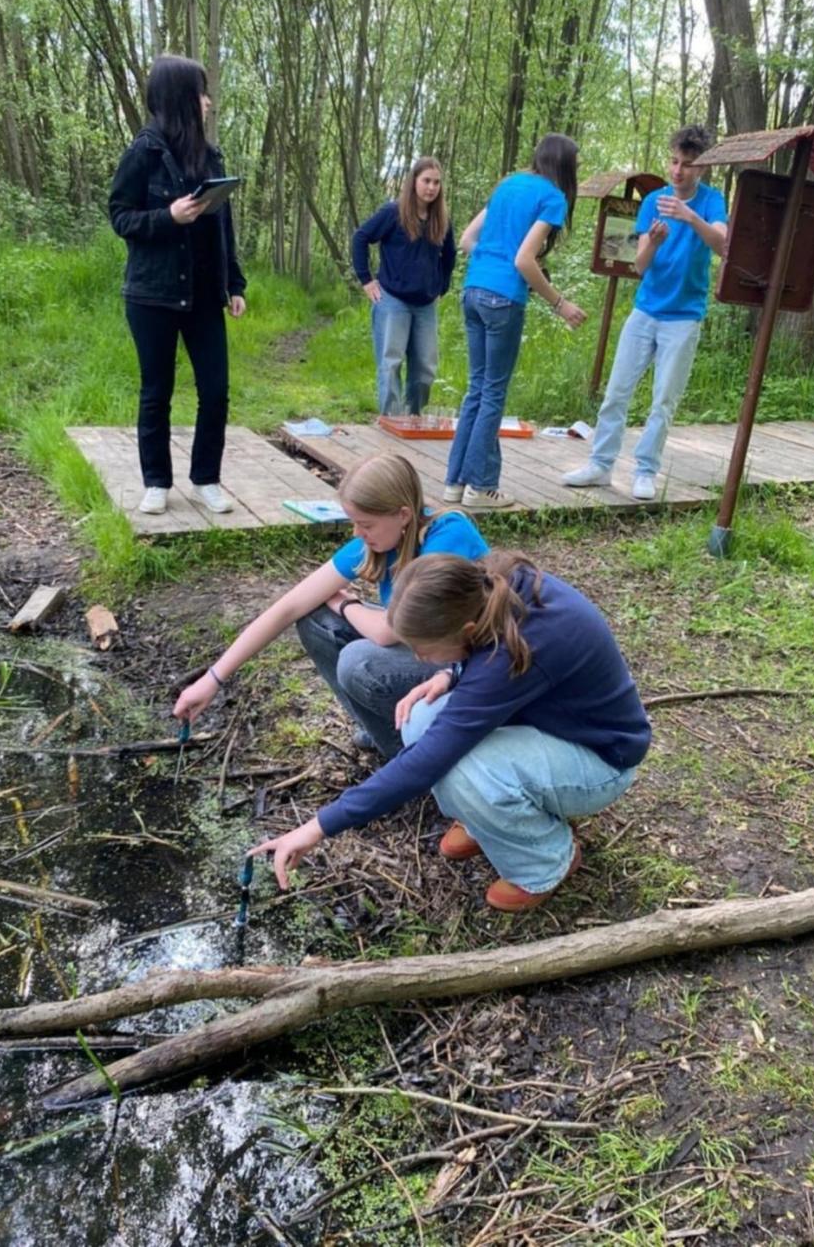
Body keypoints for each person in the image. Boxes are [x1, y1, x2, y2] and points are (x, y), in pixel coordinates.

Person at [250, 550, 651, 913]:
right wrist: (449, 672)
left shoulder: (513, 650)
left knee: (456, 766)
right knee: (422, 718)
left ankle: (547, 861)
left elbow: (428, 761)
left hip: (601, 758)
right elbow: (482, 661)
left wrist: (317, 827)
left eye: (424, 649)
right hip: (549, 722)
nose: (419, 658)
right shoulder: (488, 586)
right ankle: (489, 821)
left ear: (467, 628)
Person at [173, 453, 488, 757]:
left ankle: (410, 754)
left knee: (359, 661)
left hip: (464, 663)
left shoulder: (447, 535)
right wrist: (213, 679)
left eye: (365, 524)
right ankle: (386, 734)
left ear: (403, 514)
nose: (356, 533)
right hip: (423, 648)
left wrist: (347, 604)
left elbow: (388, 632)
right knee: (314, 618)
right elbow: (288, 606)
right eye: (354, 522)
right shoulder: (380, 540)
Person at [109, 53, 246, 517]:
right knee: (157, 390)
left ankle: (206, 478)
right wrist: (167, 217)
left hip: (206, 295)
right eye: (201, 93)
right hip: (153, 294)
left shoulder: (211, 157)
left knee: (216, 390)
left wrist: (236, 284)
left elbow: (223, 227)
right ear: (181, 98)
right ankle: (156, 482)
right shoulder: (143, 151)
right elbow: (120, 216)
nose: (209, 102)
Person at [563, 125, 728, 500]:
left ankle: (645, 470)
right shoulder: (654, 200)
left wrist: (690, 218)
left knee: (663, 401)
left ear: (700, 169)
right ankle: (600, 466)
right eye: (673, 161)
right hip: (646, 311)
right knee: (617, 392)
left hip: (684, 316)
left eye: (687, 165)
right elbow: (638, 267)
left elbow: (723, 245)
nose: (677, 171)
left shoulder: (711, 201)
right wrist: (651, 243)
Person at [444, 134, 587, 511]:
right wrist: (560, 303)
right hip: (503, 298)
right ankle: (481, 486)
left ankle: (454, 484)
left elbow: (466, 239)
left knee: (477, 389)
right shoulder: (552, 197)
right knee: (492, 393)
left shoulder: (508, 184)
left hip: (473, 290)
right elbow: (525, 260)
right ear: (565, 167)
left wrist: (493, 260)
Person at [352, 157, 457, 416]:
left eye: (436, 182)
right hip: (392, 299)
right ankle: (391, 421)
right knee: (391, 363)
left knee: (425, 368)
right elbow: (360, 238)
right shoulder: (393, 213)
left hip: (425, 304)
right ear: (414, 182)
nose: (431, 188)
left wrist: (440, 286)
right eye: (426, 181)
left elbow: (450, 255)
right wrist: (366, 280)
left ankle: (414, 418)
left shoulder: (441, 219)